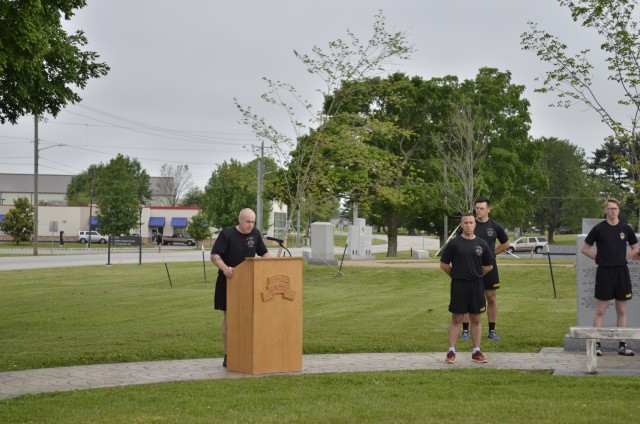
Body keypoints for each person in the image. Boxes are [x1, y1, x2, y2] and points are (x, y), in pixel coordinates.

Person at [210, 208, 272, 367]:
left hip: (249, 283)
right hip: (229, 282)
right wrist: (225, 267)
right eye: (247, 221)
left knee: (248, 319)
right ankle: (229, 354)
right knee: (230, 319)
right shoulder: (227, 234)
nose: (250, 225)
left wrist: (276, 263)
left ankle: (245, 352)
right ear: (240, 220)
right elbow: (215, 255)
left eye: (253, 222)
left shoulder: (255, 234)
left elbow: (263, 253)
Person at [580, 198, 637, 357]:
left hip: (621, 273)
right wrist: (598, 258)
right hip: (604, 272)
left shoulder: (626, 228)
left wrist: (627, 257)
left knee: (621, 309)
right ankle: (597, 345)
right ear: (605, 210)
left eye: (615, 209)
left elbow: (635, 247)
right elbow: (585, 249)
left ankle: (622, 345)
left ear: (619, 211)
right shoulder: (598, 229)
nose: (613, 211)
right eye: (610, 208)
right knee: (600, 310)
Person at [440, 212, 494, 364]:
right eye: (465, 223)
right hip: (459, 285)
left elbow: (489, 266)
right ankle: (451, 352)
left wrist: (476, 275)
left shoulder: (481, 244)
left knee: (476, 318)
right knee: (457, 318)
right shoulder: (454, 243)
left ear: (475, 224)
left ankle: (476, 351)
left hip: (476, 285)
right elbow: (444, 264)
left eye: (471, 223)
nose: (468, 225)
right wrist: (456, 275)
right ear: (461, 225)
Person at [460, 198, 510, 342]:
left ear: (489, 209)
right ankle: (465, 330)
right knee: (468, 298)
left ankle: (492, 331)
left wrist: (492, 254)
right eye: (477, 208)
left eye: (481, 208)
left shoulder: (495, 226)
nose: (478, 211)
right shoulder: (470, 224)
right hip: (471, 267)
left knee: (491, 298)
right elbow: (460, 243)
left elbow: (506, 243)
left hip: (489, 268)